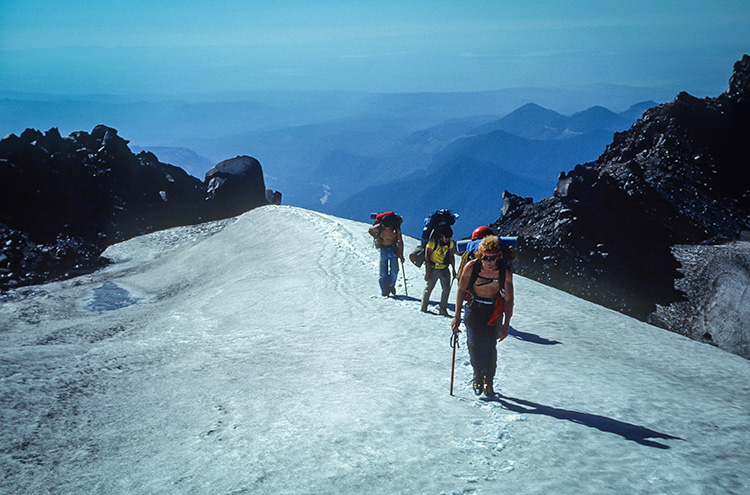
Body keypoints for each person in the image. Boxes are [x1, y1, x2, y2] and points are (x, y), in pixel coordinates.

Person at [451, 235, 514, 396]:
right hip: (474, 308)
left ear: (498, 256)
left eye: (492, 258)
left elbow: (509, 299)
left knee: (490, 347)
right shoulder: (472, 267)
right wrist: (456, 315)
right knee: (474, 344)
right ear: (480, 255)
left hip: (493, 312)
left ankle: (488, 381)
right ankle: (477, 372)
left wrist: (506, 324)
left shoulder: (504, 272)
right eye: (485, 257)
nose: (489, 261)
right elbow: (460, 290)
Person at [421, 226, 455, 316]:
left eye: (449, 238)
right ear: (441, 236)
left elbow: (451, 256)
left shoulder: (450, 243)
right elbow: (427, 258)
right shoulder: (432, 242)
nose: (447, 239)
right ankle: (424, 308)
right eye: (446, 237)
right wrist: (427, 273)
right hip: (434, 268)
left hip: (444, 268)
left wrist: (453, 269)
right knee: (429, 288)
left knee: (446, 289)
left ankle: (443, 310)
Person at [369, 216, 405, 297]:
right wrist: (376, 237)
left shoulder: (396, 228)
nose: (386, 228)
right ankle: (385, 291)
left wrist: (401, 254)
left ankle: (391, 285)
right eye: (385, 227)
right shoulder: (379, 227)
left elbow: (400, 241)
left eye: (388, 227)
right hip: (383, 250)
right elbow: (370, 230)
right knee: (383, 273)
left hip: (393, 250)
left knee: (394, 271)